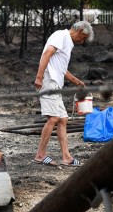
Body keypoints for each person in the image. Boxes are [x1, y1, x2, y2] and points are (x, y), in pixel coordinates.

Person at [34, 21, 94, 167]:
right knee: (53, 118)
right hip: (49, 80)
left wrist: (76, 81)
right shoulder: (60, 35)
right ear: (80, 30)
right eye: (83, 38)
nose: (82, 41)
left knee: (62, 119)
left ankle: (66, 157)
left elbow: (62, 69)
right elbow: (47, 53)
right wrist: (39, 77)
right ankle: (40, 155)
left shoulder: (68, 43)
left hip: (56, 82)